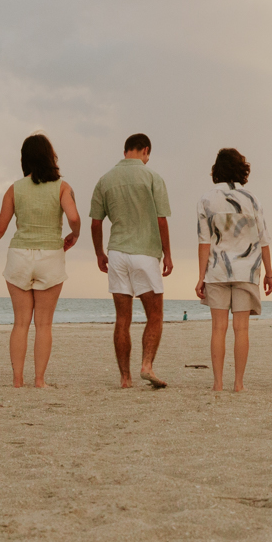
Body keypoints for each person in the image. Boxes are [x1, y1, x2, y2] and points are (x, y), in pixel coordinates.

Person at [0, 133, 82, 388]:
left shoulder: (15, 188)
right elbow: (74, 218)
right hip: (50, 256)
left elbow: (0, 228)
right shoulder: (62, 187)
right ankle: (40, 381)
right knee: (43, 324)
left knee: (20, 323)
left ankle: (17, 380)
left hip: (20, 256)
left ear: (25, 159)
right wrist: (74, 234)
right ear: (51, 157)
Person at [90, 133, 174, 388]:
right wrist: (168, 253)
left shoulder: (105, 180)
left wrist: (99, 253)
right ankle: (146, 365)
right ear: (145, 150)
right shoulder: (152, 177)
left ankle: (125, 378)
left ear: (125, 150)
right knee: (155, 315)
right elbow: (161, 220)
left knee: (122, 319)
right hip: (145, 253)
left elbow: (96, 223)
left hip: (117, 252)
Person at [195, 147, 272, 392]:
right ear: (241, 169)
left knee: (218, 328)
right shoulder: (252, 199)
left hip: (217, 270)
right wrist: (269, 273)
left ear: (216, 170)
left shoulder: (206, 199)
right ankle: (238, 384)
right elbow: (263, 240)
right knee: (242, 329)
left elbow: (204, 242)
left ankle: (217, 384)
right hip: (246, 271)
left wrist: (200, 277)